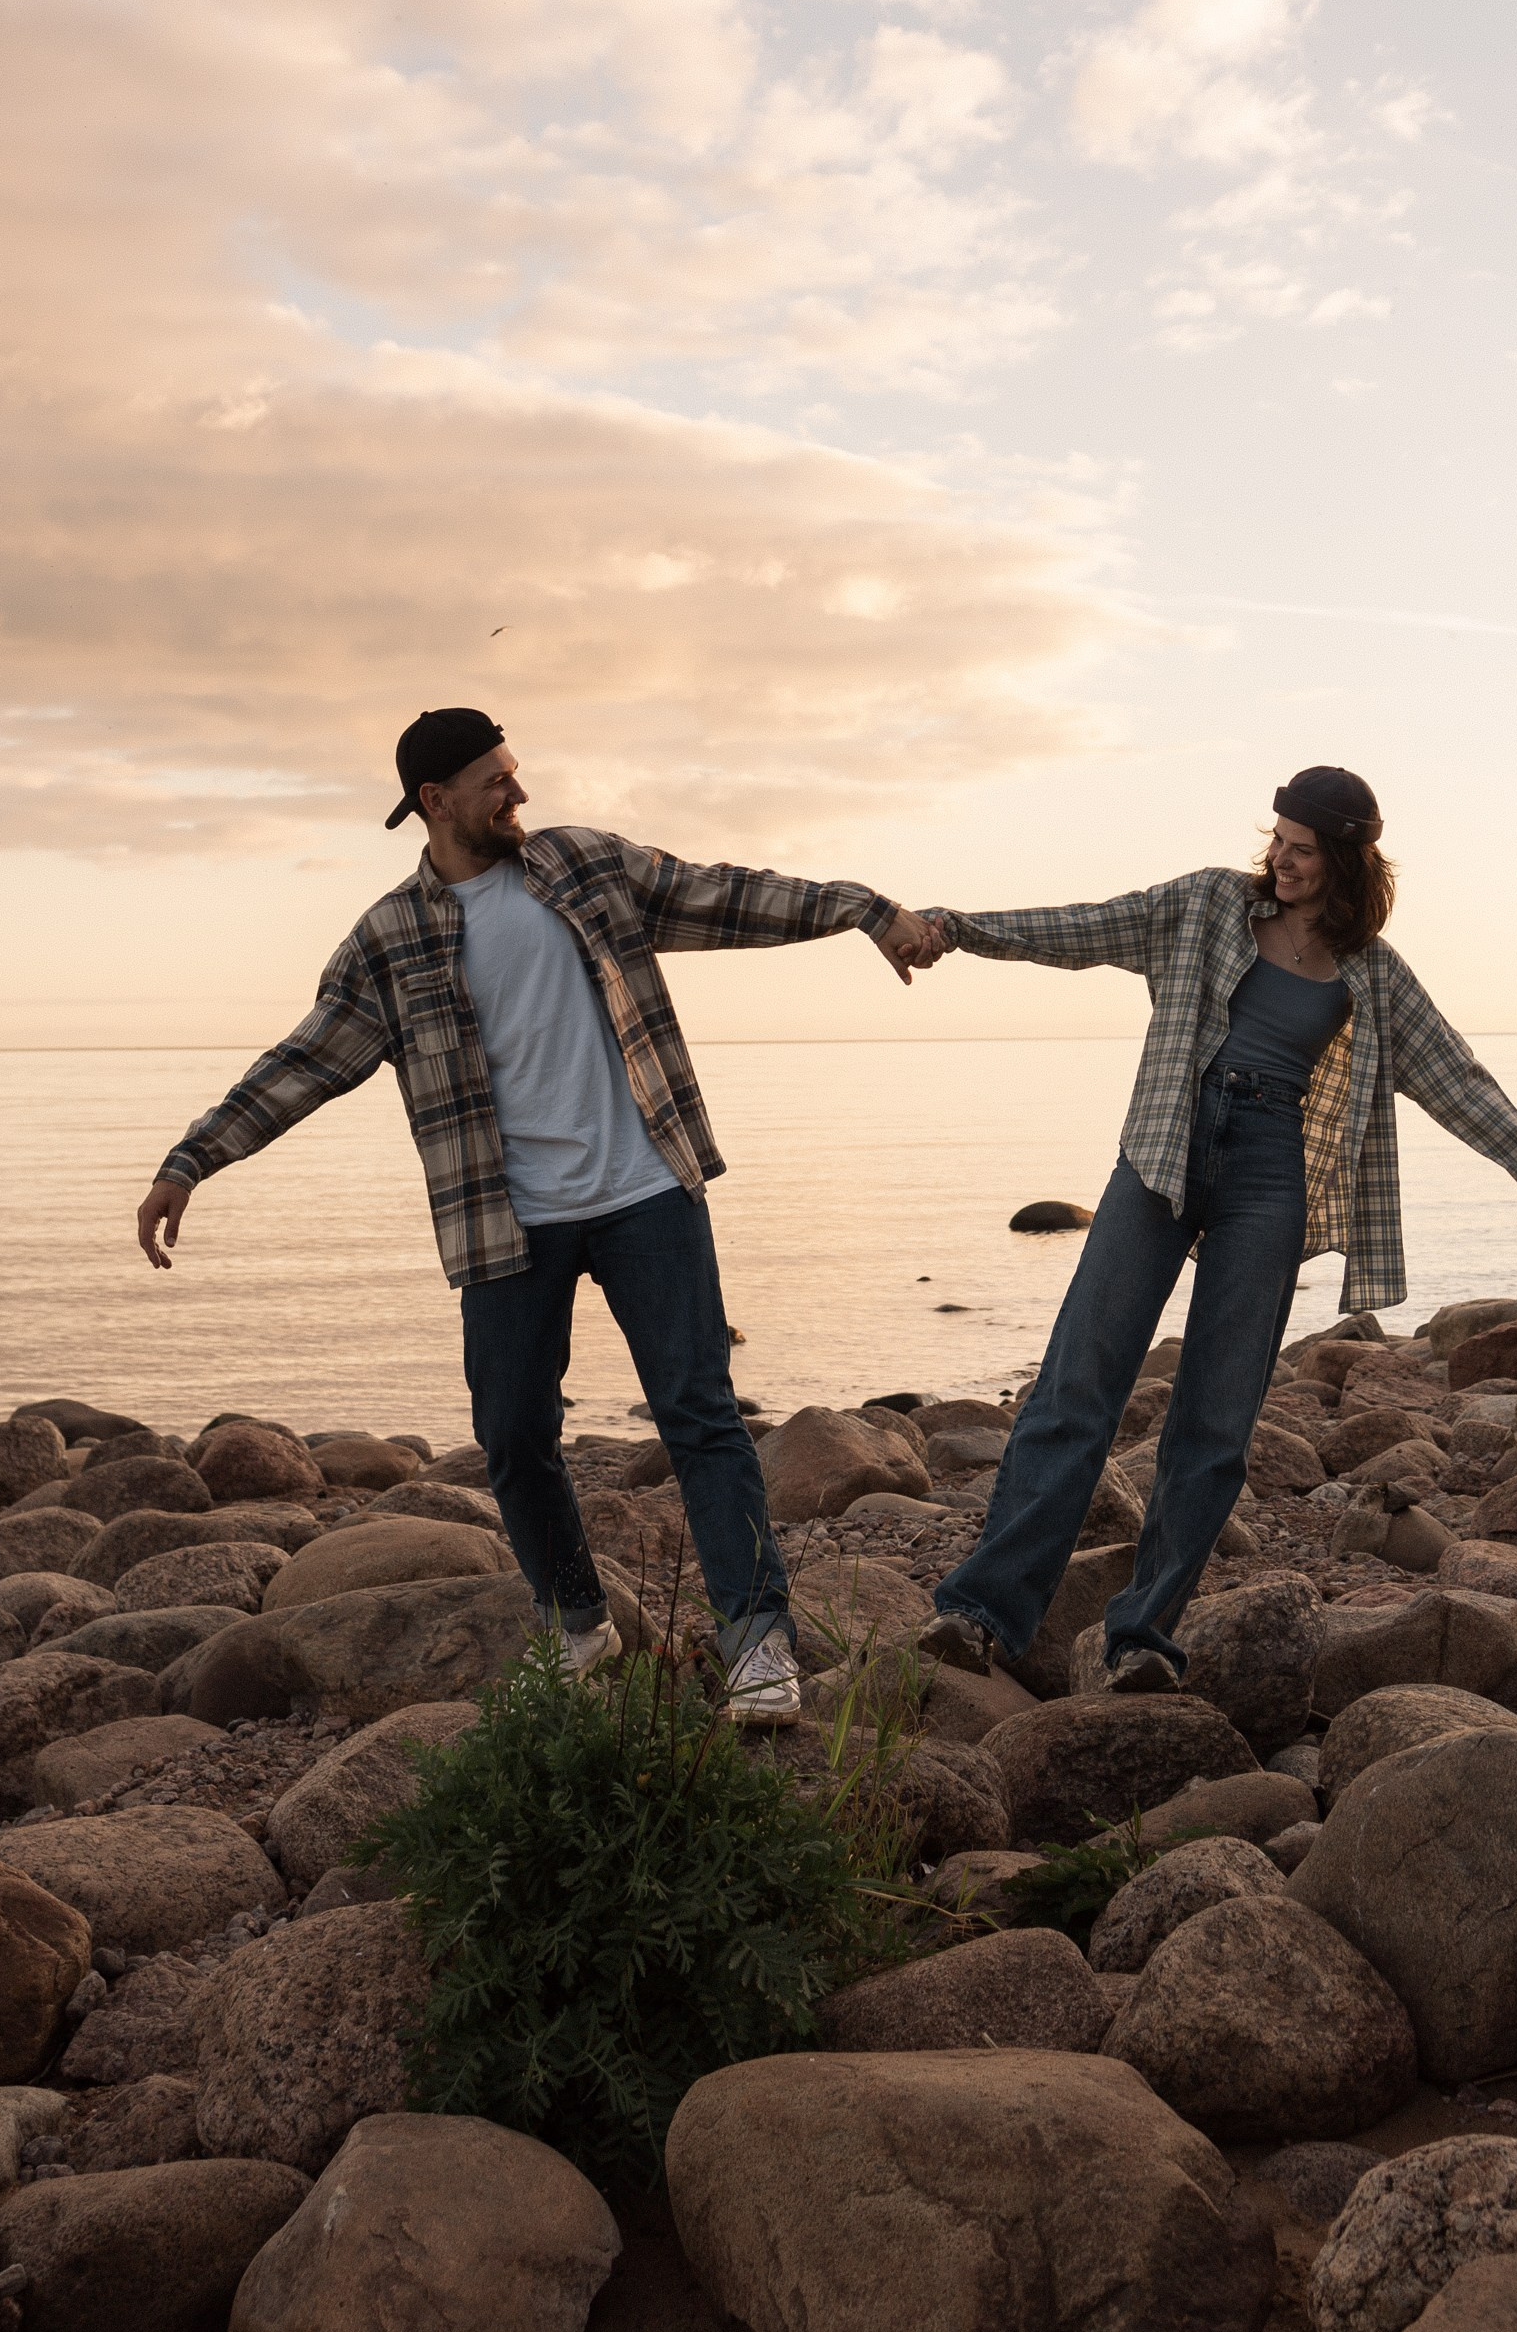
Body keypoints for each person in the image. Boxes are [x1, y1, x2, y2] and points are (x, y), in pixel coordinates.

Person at [136, 705, 941, 1726]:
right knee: (514, 1439)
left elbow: (730, 896)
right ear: (436, 803)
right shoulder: (390, 939)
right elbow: (303, 1064)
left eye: (515, 773)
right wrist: (194, 1158)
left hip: (647, 1188)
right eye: (495, 782)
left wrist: (862, 909)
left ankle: (755, 1644)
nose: (519, 793)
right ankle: (579, 1626)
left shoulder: (584, 867)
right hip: (506, 1221)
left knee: (700, 1421)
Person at [911, 764, 1517, 1691]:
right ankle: (981, 1612)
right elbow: (1083, 928)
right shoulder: (1207, 905)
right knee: (1075, 1386)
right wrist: (957, 931)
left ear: (1348, 859)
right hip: (1163, 1152)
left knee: (1216, 1420)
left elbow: (1462, 1086)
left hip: (1266, 1177)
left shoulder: (1373, 975)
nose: (1280, 860)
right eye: (1276, 840)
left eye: (1302, 849)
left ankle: (1140, 1639)